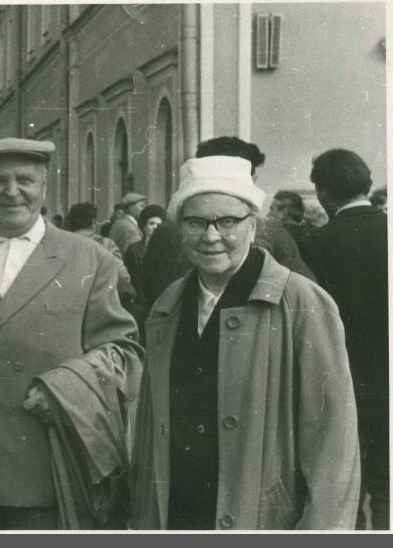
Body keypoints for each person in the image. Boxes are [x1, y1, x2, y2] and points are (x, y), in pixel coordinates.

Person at [0, 137, 142, 529]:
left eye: (25, 180)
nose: (12, 192)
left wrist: (64, 389)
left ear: (44, 188)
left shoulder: (89, 258)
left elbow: (123, 354)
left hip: (49, 471)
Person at [130, 155, 360, 530]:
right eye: (196, 222)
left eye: (227, 221)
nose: (211, 236)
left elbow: (334, 444)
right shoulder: (168, 306)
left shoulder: (302, 304)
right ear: (181, 229)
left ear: (252, 225)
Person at [299, 149, 388, 529]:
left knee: (347, 486)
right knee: (387, 487)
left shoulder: (316, 244)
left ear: (324, 193)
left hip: (344, 382)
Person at [140, 136, 315, 311]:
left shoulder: (165, 230)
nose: (211, 237)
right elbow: (307, 298)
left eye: (227, 222)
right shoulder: (268, 229)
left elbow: (145, 292)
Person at [66, 202, 136, 304]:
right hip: (101, 303)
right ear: (93, 223)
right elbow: (123, 275)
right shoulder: (106, 244)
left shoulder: (62, 244)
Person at [123, 204, 166, 296]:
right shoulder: (133, 250)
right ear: (144, 227)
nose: (155, 227)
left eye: (158, 224)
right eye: (151, 223)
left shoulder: (165, 250)